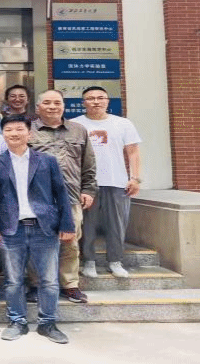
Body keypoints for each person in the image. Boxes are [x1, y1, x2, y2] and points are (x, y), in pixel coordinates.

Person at [0, 114, 75, 345]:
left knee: (49, 280)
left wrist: (67, 224)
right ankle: (17, 322)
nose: (14, 133)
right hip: (11, 229)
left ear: (30, 133)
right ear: (3, 134)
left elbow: (61, 193)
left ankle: (48, 323)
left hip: (44, 228)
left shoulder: (47, 161)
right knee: (13, 281)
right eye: (9, 130)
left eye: (19, 129)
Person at [28, 90, 97, 303]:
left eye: (57, 102)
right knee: (38, 242)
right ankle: (37, 284)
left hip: (71, 196)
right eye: (47, 103)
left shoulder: (78, 130)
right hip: (37, 198)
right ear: (38, 107)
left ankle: (70, 285)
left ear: (64, 106)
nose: (52, 107)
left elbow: (88, 163)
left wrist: (88, 190)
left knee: (70, 242)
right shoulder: (28, 130)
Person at [73, 86, 142, 279]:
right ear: (83, 103)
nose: (96, 101)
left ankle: (115, 261)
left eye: (100, 97)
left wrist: (135, 178)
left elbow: (133, 152)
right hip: (86, 184)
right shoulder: (75, 124)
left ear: (107, 101)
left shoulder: (123, 123)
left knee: (117, 224)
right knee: (87, 225)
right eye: (91, 98)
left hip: (117, 182)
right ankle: (89, 261)